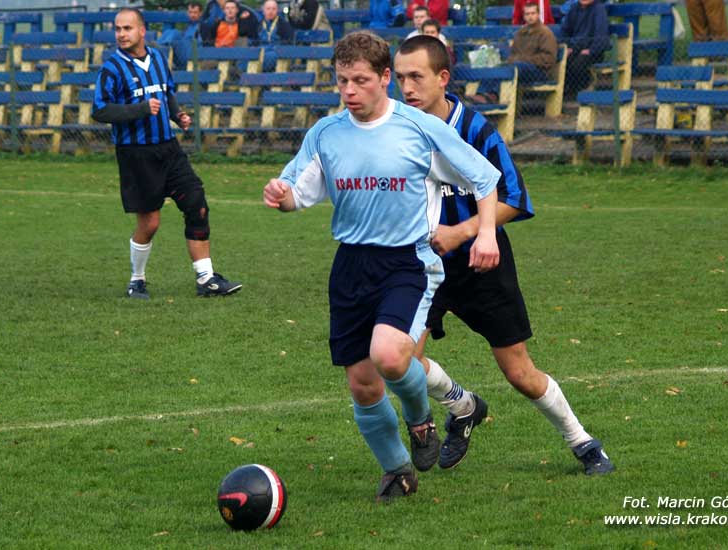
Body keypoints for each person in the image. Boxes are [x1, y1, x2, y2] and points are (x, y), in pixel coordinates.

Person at [262, 31, 501, 501]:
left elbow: (484, 179)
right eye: (342, 81)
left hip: (406, 261)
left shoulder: (419, 127)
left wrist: (487, 232)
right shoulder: (326, 134)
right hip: (351, 263)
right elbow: (297, 192)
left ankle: (420, 419)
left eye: (360, 81)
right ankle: (397, 471)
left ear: (385, 77)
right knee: (363, 384)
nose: (349, 91)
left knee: (390, 356)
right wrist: (280, 194)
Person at [393, 35, 615, 474]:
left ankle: (583, 442)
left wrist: (466, 232)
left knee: (519, 372)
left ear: (443, 77)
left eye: (416, 76)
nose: (407, 87)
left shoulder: (475, 130)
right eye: (400, 78)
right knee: (401, 362)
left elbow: (513, 198)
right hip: (423, 265)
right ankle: (463, 406)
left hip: (482, 263)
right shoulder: (396, 130)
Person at [92, 8, 242, 300]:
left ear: (142, 30)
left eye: (127, 28)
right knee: (150, 223)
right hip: (136, 154)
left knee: (197, 204)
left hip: (169, 148)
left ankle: (206, 279)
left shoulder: (158, 58)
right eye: (118, 29)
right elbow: (100, 110)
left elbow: (166, 93)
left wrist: (177, 115)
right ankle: (137, 281)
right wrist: (140, 109)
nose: (121, 34)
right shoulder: (112, 68)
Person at [560, 0, 609, 97]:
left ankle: (581, 89)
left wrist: (591, 50)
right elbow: (565, 31)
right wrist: (567, 46)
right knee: (563, 61)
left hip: (593, 50)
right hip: (575, 47)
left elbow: (601, 35)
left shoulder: (599, 9)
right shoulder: (574, 9)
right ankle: (567, 91)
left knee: (577, 64)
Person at [507, 2, 558, 85]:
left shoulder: (545, 33)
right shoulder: (520, 33)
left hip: (540, 72)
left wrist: (524, 59)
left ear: (538, 14)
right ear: (524, 16)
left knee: (517, 67)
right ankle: (489, 91)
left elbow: (549, 58)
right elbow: (513, 54)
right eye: (527, 14)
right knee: (501, 68)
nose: (530, 16)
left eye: (533, 13)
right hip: (521, 68)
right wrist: (513, 60)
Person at [157, 1, 203, 70]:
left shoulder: (203, 26)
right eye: (190, 12)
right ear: (187, 13)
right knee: (168, 32)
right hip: (182, 54)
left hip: (192, 56)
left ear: (201, 13)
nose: (192, 15)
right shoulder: (189, 26)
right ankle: (158, 47)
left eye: (195, 12)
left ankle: (158, 47)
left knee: (174, 33)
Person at [257, 0, 295, 71]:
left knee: (268, 57)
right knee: (247, 56)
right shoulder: (258, 25)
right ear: (263, 11)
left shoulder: (284, 25)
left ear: (277, 10)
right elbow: (253, 41)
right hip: (261, 50)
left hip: (277, 51)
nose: (271, 11)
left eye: (273, 9)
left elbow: (288, 42)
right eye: (268, 9)